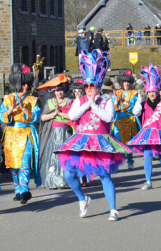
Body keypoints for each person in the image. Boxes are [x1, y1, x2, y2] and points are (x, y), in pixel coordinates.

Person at [54, 50, 132, 220]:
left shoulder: (106, 100)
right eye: (87, 86)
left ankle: (113, 209)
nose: (89, 89)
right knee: (69, 173)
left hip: (101, 141)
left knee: (104, 175)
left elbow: (109, 117)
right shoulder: (78, 100)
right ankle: (83, 199)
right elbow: (73, 116)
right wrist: (87, 104)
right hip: (82, 141)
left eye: (92, 86)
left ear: (98, 86)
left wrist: (94, 105)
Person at [0, 63, 41, 204]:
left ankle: (24, 190)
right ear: (17, 83)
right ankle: (18, 189)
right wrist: (11, 109)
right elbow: (1, 116)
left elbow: (35, 118)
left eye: (27, 84)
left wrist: (23, 108)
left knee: (25, 163)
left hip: (27, 135)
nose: (26, 87)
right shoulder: (8, 98)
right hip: (11, 135)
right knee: (13, 165)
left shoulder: (33, 100)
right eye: (23, 84)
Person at [38, 75, 72, 190]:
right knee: (52, 157)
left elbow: (73, 116)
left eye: (62, 90)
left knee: (66, 157)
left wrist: (62, 114)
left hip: (66, 133)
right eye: (57, 90)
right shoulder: (49, 102)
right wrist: (54, 114)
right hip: (53, 134)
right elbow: (42, 118)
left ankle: (65, 181)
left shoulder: (70, 102)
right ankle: (52, 181)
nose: (59, 93)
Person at [111, 70, 142, 170]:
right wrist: (116, 101)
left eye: (128, 82)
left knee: (128, 140)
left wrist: (126, 102)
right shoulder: (116, 93)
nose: (126, 83)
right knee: (117, 140)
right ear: (121, 83)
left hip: (130, 118)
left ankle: (130, 160)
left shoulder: (134, 93)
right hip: (118, 118)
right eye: (124, 82)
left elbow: (136, 106)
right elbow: (112, 106)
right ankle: (116, 161)